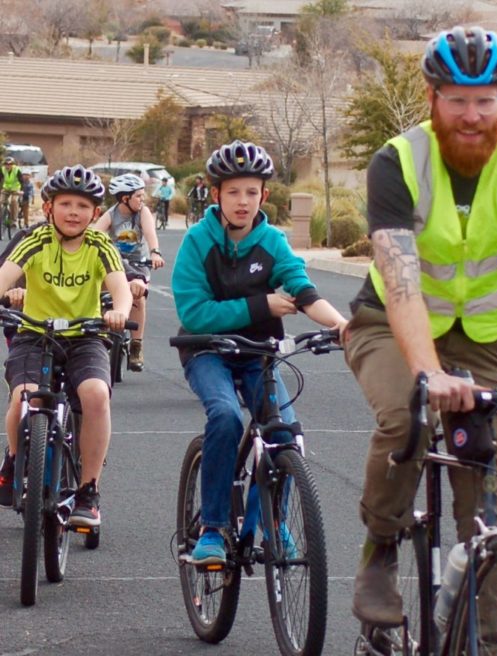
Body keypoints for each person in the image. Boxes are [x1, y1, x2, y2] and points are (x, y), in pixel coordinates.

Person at [343, 26, 497, 634]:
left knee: (489, 498)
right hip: (388, 325)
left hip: (486, 338)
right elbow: (399, 283)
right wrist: (428, 373)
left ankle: (486, 641)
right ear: (432, 98)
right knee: (407, 414)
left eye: (485, 100)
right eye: (457, 99)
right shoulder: (397, 161)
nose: (472, 115)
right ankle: (381, 549)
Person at [171, 139, 347, 565]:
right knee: (227, 417)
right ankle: (212, 528)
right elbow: (194, 313)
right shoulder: (197, 242)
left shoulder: (272, 241)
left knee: (285, 432)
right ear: (216, 195)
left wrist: (341, 324)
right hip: (206, 350)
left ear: (264, 195)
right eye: (233, 192)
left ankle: (271, 522)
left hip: (258, 353)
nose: (243, 201)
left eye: (251, 192)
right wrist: (260, 305)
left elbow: (303, 290)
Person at [0, 165, 132, 525]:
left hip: (84, 337)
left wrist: (119, 312)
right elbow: (6, 274)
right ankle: (15, 458)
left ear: (94, 214)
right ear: (49, 208)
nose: (74, 212)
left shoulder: (99, 244)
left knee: (95, 395)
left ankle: (89, 490)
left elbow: (119, 289)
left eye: (83, 206)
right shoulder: (35, 239)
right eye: (66, 204)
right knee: (24, 394)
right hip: (34, 333)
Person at [93, 173, 165, 372]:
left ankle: (136, 345)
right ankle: (98, 338)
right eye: (138, 196)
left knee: (138, 298)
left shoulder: (143, 213)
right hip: (115, 264)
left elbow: (150, 234)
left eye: (143, 195)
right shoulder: (110, 214)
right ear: (125, 198)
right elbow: (94, 236)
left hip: (139, 264)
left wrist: (155, 252)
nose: (142, 199)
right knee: (101, 296)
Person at [0, 157, 23, 225]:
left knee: (14, 201)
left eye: (9, 164)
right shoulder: (2, 169)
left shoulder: (17, 170)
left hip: (15, 189)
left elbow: (21, 181)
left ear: (12, 164)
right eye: (6, 164)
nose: (7, 166)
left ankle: (13, 220)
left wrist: (22, 190)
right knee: (0, 202)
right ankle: (2, 217)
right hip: (6, 188)